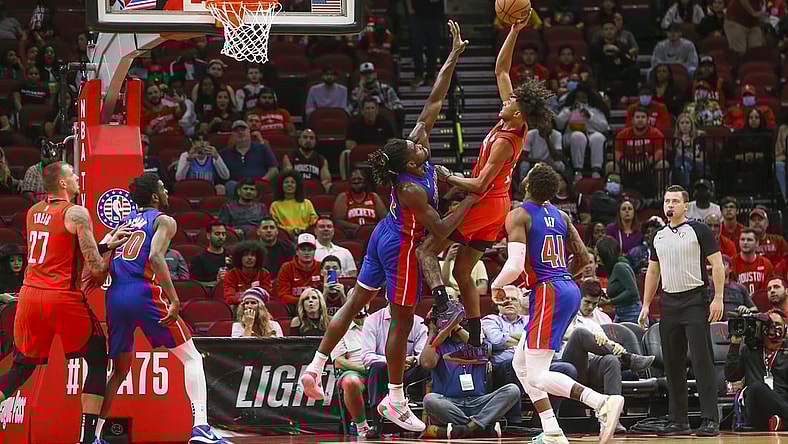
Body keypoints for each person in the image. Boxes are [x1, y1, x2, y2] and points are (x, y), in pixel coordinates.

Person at [299, 21, 475, 435]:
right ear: (409, 165)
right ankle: (395, 399)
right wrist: (471, 197)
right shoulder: (411, 188)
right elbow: (441, 230)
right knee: (401, 318)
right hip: (402, 243)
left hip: (384, 232)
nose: (421, 141)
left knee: (357, 298)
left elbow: (434, 100)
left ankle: (315, 364)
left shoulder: (415, 152)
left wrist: (452, 57)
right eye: (417, 147)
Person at [417, 19, 555, 363]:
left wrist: (449, 176)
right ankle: (476, 341)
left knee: (427, 249)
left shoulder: (507, 141)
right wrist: (514, 31)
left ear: (519, 112)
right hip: (495, 206)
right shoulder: (511, 119)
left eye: (510, 101)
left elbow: (479, 184)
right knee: (463, 271)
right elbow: (501, 68)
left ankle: (442, 305)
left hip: (485, 202)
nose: (504, 100)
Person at [489, 163, 624, 444]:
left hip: (550, 291)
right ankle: (551, 429)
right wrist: (559, 280)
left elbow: (514, 265)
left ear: (527, 184)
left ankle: (601, 402)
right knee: (521, 365)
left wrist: (497, 284)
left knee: (538, 375)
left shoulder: (519, 214)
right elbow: (585, 259)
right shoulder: (561, 216)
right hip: (565, 287)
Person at [0, 161, 131, 444]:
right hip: (61, 297)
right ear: (62, 183)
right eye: (72, 174)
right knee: (97, 359)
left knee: (20, 368)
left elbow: (61, 247)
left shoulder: (33, 212)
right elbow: (94, 268)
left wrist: (105, 243)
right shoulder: (77, 213)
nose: (76, 178)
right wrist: (125, 265)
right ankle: (87, 440)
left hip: (29, 295)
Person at [99, 173, 228, 443]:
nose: (168, 192)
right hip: (142, 291)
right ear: (156, 196)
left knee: (119, 371)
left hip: (114, 295)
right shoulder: (164, 220)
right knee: (191, 357)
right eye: (164, 188)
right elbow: (157, 257)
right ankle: (201, 429)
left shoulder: (124, 222)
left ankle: (95, 435)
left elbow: (101, 250)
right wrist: (174, 298)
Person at [638, 184, 723, 436]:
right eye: (667, 201)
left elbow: (717, 265)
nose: (670, 205)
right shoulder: (658, 236)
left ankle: (710, 419)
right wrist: (645, 304)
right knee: (672, 365)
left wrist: (718, 298)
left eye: (675, 201)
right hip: (669, 302)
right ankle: (678, 421)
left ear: (686, 206)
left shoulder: (700, 230)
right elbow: (653, 271)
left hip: (695, 299)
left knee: (701, 361)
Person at [421, 312, 521, 439]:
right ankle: (480, 427)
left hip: (479, 403)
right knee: (430, 399)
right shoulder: (439, 345)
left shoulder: (479, 342)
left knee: (512, 390)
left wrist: (456, 326)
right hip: (449, 403)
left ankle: (465, 429)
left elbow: (483, 351)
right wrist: (432, 332)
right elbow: (426, 363)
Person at [725, 309, 788, 430]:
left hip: (782, 402)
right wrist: (734, 345)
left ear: (785, 329)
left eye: (778, 325)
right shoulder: (749, 351)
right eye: (770, 324)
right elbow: (731, 376)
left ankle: (781, 423)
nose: (774, 328)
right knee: (756, 387)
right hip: (757, 408)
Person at [329, 301, 370, 436]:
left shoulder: (377, 322)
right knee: (350, 382)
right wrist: (362, 368)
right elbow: (339, 362)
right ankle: (362, 427)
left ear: (368, 304)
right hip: (356, 373)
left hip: (381, 368)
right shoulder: (339, 326)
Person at [596, 236, 642, 322]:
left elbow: (632, 292)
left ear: (606, 254)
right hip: (621, 312)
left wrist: (609, 302)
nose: (597, 259)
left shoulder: (620, 266)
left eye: (599, 255)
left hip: (631, 314)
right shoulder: (613, 267)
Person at [333, 168, 388, 234]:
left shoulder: (373, 196)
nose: (356, 181)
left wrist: (372, 229)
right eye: (353, 179)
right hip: (352, 233)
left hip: (373, 232)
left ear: (365, 182)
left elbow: (384, 218)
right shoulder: (343, 197)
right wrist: (358, 228)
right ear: (349, 182)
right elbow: (338, 220)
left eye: (359, 179)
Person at [277, 233, 323, 309]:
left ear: (315, 251)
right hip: (294, 307)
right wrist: (304, 302)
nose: (306, 252)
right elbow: (283, 295)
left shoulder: (321, 266)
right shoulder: (287, 268)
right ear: (297, 251)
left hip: (317, 307)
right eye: (303, 249)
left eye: (310, 249)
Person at [222, 240, 273, 307]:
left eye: (253, 255)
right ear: (239, 258)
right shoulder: (231, 274)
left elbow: (266, 295)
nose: (249, 258)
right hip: (238, 306)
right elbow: (229, 297)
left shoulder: (264, 273)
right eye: (245, 255)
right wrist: (246, 300)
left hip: (258, 306)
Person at [269, 170, 319, 236]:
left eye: (292, 182)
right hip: (284, 236)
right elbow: (275, 225)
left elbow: (314, 222)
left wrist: (303, 230)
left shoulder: (307, 203)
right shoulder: (275, 205)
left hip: (306, 235)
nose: (289, 184)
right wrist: (290, 231)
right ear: (281, 186)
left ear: (297, 186)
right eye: (286, 182)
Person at [732, 228, 774, 294]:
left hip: (761, 301)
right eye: (742, 239)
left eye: (749, 240)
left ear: (757, 243)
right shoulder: (732, 262)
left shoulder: (766, 264)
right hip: (738, 302)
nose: (745, 243)